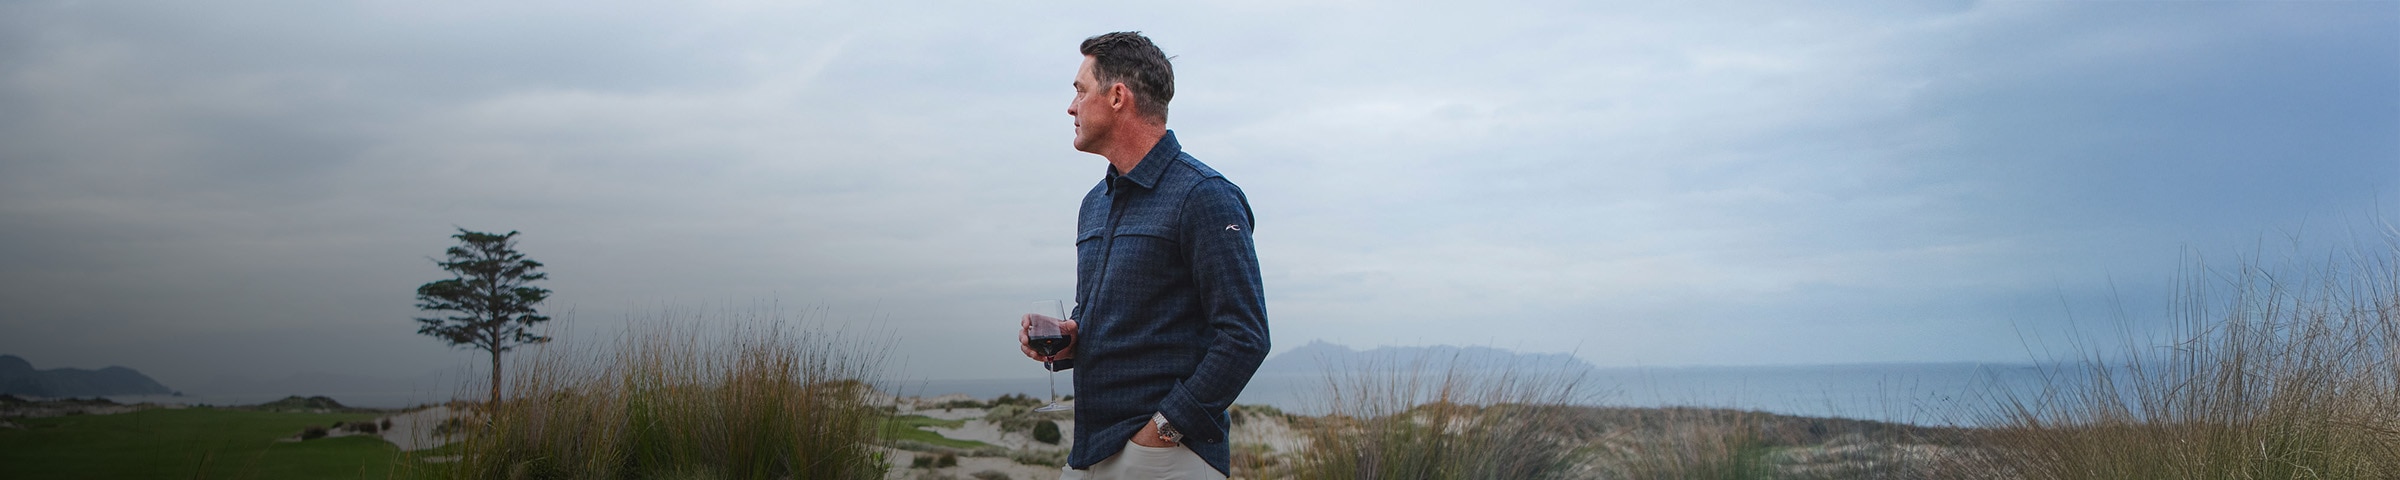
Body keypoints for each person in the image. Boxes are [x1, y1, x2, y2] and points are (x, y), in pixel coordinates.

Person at [1018, 31, 1270, 480]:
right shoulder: (1094, 203)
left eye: (1080, 90)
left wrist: (1163, 430)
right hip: (1090, 450)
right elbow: (1113, 321)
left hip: (1165, 456)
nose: (1071, 106)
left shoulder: (1205, 196)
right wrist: (1071, 340)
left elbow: (1245, 336)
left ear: (1118, 97)